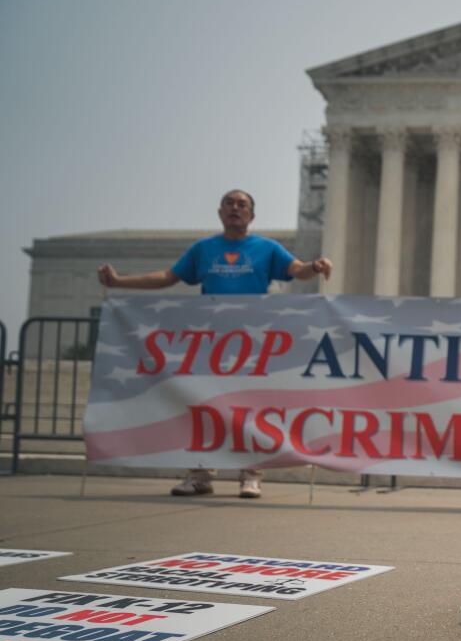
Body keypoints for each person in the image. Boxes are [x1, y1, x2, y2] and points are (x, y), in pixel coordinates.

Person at [97, 189, 333, 499]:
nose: (236, 209)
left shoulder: (267, 248)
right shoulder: (203, 250)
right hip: (210, 344)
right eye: (230, 204)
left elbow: (297, 270)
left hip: (253, 344)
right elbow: (168, 277)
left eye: (242, 205)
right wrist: (119, 282)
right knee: (205, 407)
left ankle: (251, 474)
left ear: (252, 215)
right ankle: (200, 474)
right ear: (220, 213)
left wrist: (314, 267)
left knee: (250, 409)